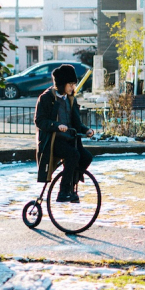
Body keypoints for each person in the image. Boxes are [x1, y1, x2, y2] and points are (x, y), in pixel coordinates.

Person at [34, 64, 94, 202]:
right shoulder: (47, 98)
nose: (73, 87)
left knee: (86, 157)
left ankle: (72, 185)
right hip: (53, 140)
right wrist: (56, 126)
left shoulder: (71, 99)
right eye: (70, 84)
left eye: (74, 84)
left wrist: (86, 130)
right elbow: (39, 121)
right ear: (62, 84)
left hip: (70, 139)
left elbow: (77, 123)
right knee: (73, 155)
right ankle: (63, 191)